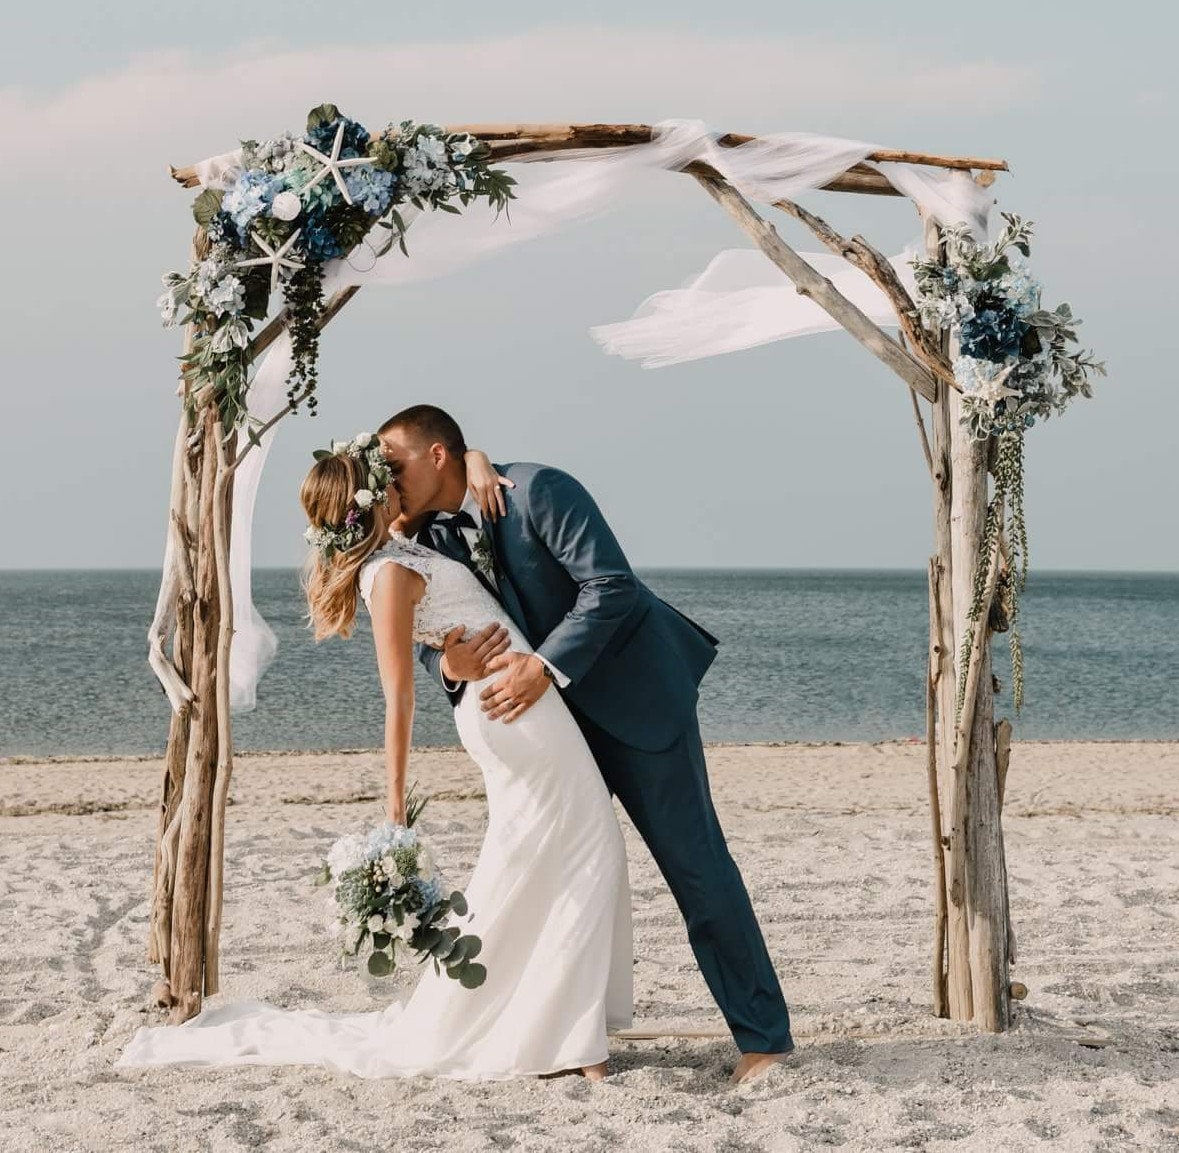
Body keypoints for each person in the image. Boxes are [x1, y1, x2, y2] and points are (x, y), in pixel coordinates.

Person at [116, 436, 633, 1081]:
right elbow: (398, 697)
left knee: (554, 853)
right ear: (370, 498)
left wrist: (474, 460)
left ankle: (559, 1025)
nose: (397, 478)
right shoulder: (386, 574)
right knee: (579, 849)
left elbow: (457, 468)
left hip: (518, 702)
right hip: (510, 709)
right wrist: (395, 801)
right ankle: (566, 1036)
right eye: (385, 475)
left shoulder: (397, 540)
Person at [378, 405, 793, 1084]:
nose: (384, 475)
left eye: (392, 461)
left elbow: (613, 587)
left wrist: (542, 665)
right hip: (549, 733)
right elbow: (430, 631)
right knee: (559, 872)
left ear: (437, 456)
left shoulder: (538, 490)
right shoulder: (424, 541)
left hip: (636, 702)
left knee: (696, 868)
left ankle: (763, 1040)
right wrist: (448, 666)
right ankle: (561, 1035)